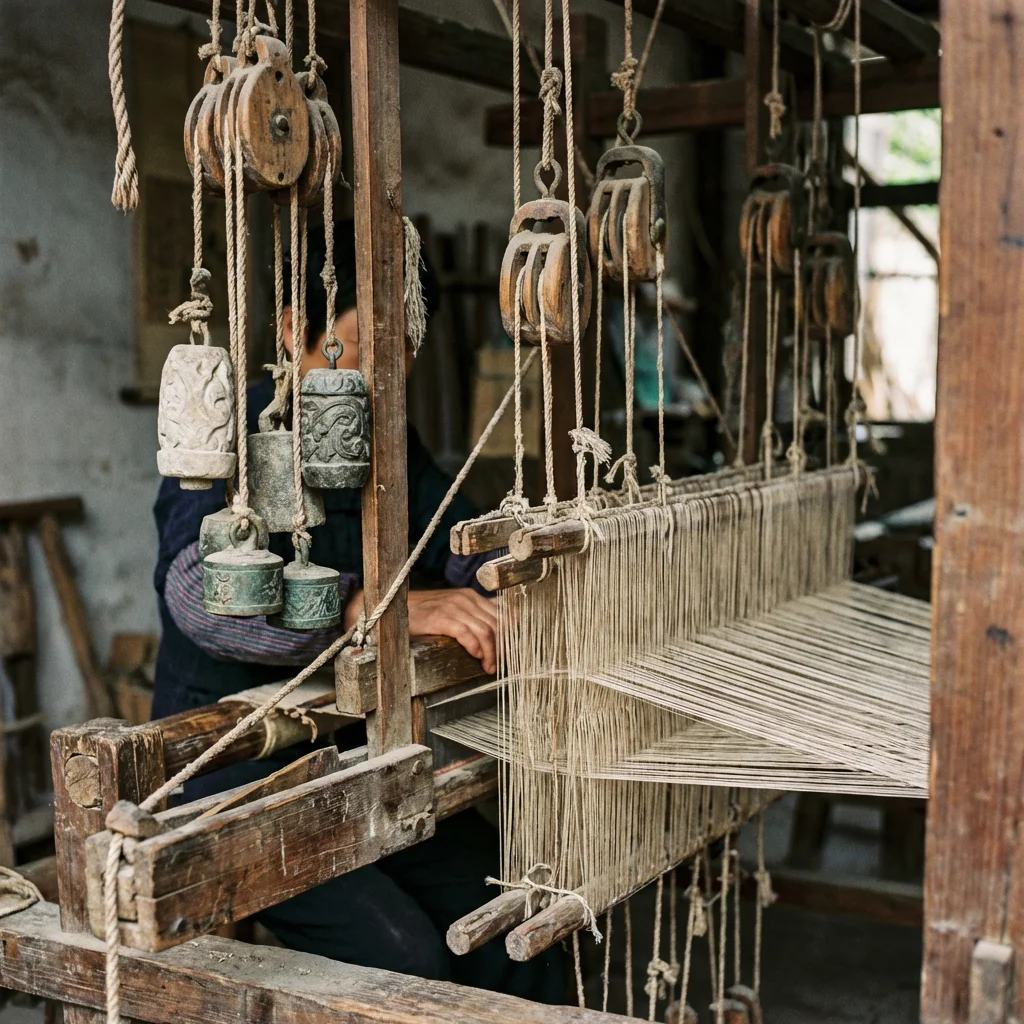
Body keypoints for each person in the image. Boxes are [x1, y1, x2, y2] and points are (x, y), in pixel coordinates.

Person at [152, 219, 564, 1001]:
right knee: (407, 963)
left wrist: (508, 580)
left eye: (399, 358)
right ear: (290, 331)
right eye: (361, 352)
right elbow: (194, 595)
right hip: (228, 774)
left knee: (515, 918)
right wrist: (370, 606)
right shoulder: (232, 436)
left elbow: (455, 539)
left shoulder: (387, 441)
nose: (379, 382)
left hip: (355, 762)